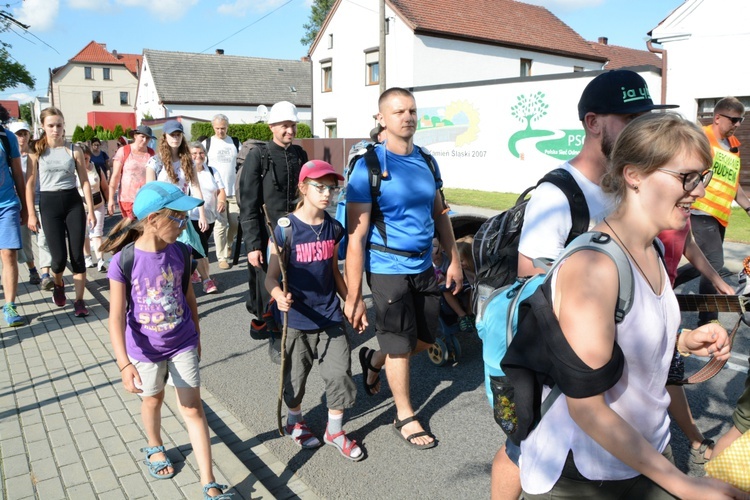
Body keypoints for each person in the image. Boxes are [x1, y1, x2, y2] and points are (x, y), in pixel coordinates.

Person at [520, 112, 749, 499]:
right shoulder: (593, 266)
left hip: (640, 451)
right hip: (590, 472)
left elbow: (628, 338)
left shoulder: (654, 247)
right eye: (686, 177)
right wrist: (684, 485)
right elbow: (586, 407)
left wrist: (684, 341)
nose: (699, 191)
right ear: (634, 175)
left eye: (703, 177)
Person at [493, 70, 678, 500]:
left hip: (612, 379)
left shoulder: (625, 187)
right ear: (593, 123)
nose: (643, 129)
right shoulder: (559, 194)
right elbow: (533, 282)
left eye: (647, 118)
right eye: (630, 118)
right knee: (522, 449)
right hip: (562, 373)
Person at [345, 87, 461, 449]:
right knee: (399, 344)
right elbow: (355, 234)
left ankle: (374, 358)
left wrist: (455, 258)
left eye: (411, 110)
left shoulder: (427, 160)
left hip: (424, 264)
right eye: (398, 112)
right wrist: (354, 294)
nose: (407, 116)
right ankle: (405, 415)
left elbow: (439, 211)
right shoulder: (369, 165)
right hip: (385, 265)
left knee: (424, 340)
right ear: (382, 119)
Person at [103, 181, 233, 499]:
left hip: (182, 342)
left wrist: (197, 337)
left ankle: (209, 482)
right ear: (153, 220)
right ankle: (154, 445)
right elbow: (116, 317)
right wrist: (123, 365)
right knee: (153, 400)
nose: (184, 223)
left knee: (192, 409)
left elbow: (189, 298)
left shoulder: (181, 252)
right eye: (178, 217)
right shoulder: (124, 261)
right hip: (144, 349)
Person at [265, 159, 364, 460]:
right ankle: (295, 419)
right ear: (303, 187)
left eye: (331, 188)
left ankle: (334, 430)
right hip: (296, 318)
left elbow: (334, 271)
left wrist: (351, 304)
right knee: (296, 377)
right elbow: (270, 276)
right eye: (320, 187)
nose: (327, 194)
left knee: (339, 372)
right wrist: (278, 294)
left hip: (330, 313)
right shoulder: (284, 230)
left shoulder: (333, 227)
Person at [659, 221, 735, 465]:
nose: (701, 190)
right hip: (647, 306)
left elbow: (688, 242)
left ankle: (695, 442)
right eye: (690, 180)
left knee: (670, 369)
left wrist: (716, 279)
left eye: (701, 179)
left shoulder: (680, 210)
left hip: (663, 303)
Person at [238, 101, 309, 337]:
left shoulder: (300, 154)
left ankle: (297, 324)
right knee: (268, 286)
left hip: (297, 230)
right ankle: (275, 330)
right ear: (272, 127)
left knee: (298, 279)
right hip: (267, 232)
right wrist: (253, 246)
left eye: (293, 125)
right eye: (284, 126)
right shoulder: (258, 155)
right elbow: (248, 204)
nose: (290, 130)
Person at [677, 97, 748, 326]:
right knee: (715, 264)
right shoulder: (702, 138)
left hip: (721, 216)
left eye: (741, 119)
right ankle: (708, 320)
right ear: (718, 118)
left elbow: (733, 183)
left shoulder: (734, 145)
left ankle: (667, 279)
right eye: (735, 120)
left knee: (707, 263)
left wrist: (748, 207)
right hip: (701, 209)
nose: (738, 124)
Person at [26, 107, 96, 317]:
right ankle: (58, 285)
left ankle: (80, 300)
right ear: (43, 127)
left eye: (59, 125)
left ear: (64, 125)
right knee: (57, 259)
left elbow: (84, 181)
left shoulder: (73, 149)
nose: (56, 129)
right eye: (51, 125)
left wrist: (90, 210)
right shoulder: (36, 151)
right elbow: (30, 184)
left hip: (73, 202)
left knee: (78, 257)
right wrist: (31, 213)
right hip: (49, 203)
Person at [145, 120, 208, 257]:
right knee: (164, 248)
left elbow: (196, 187)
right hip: (163, 213)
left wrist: (202, 214)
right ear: (165, 137)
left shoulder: (188, 161)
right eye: (172, 135)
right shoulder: (155, 162)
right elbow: (149, 193)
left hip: (182, 212)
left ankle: (197, 276)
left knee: (189, 247)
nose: (175, 138)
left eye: (178, 135)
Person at [0, 112, 30, 326]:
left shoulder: (6, 136)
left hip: (7, 204)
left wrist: (26, 207)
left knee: (9, 254)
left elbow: (18, 173)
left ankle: (9, 305)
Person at [9, 121, 44, 286]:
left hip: (38, 200)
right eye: (18, 134)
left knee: (40, 238)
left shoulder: (36, 153)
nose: (21, 137)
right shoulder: (8, 155)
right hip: (15, 202)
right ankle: (31, 269)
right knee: (22, 239)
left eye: (24, 133)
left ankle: (41, 270)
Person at [202, 114, 239, 271]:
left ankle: (229, 244)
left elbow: (242, 163)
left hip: (234, 191)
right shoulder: (207, 143)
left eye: (223, 128)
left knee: (236, 223)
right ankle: (222, 257)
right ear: (213, 127)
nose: (220, 131)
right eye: (217, 128)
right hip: (217, 193)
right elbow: (201, 167)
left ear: (227, 127)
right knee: (221, 225)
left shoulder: (235, 142)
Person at [188, 142, 224, 294]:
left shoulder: (212, 171)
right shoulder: (186, 172)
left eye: (201, 153)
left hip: (210, 217)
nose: (198, 156)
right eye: (194, 153)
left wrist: (221, 200)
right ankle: (207, 281)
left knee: (196, 249)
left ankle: (194, 270)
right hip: (193, 216)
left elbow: (221, 190)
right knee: (201, 250)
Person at [109, 125, 155, 220]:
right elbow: (115, 176)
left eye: (147, 138)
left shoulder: (151, 154)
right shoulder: (124, 151)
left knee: (145, 230)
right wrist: (110, 199)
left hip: (145, 199)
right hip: (127, 199)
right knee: (130, 230)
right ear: (135, 136)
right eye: (142, 136)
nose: (144, 140)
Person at [76, 143, 109, 272]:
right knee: (84, 233)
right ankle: (87, 257)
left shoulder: (96, 168)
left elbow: (105, 187)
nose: (84, 161)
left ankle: (100, 260)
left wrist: (109, 202)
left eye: (86, 159)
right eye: (81, 159)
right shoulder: (73, 170)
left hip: (97, 204)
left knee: (97, 233)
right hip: (81, 205)